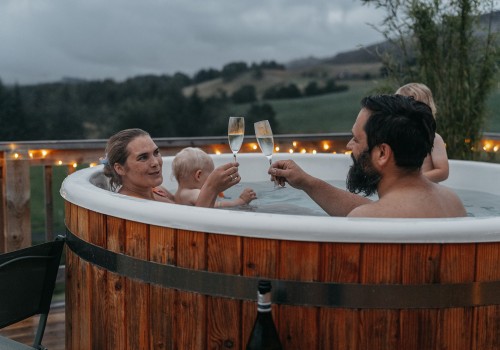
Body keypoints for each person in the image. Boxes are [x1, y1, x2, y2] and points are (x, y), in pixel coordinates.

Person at [269, 94, 466, 218]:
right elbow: (377, 208)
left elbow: (372, 212)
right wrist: (307, 182)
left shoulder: (370, 220)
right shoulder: (451, 201)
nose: (349, 145)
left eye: (356, 139)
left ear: (382, 153)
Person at [102, 128, 240, 207]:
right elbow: (191, 237)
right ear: (120, 168)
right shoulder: (131, 206)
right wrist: (211, 188)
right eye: (143, 157)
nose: (155, 162)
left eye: (156, 152)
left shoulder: (157, 191)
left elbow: (186, 211)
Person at [396, 82, 449, 182]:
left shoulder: (433, 139)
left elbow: (443, 171)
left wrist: (413, 180)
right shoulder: (397, 139)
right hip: (403, 190)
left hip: (426, 191)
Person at [172, 147, 257, 207]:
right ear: (198, 175)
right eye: (211, 175)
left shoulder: (178, 194)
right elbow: (217, 205)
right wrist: (240, 201)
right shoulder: (194, 193)